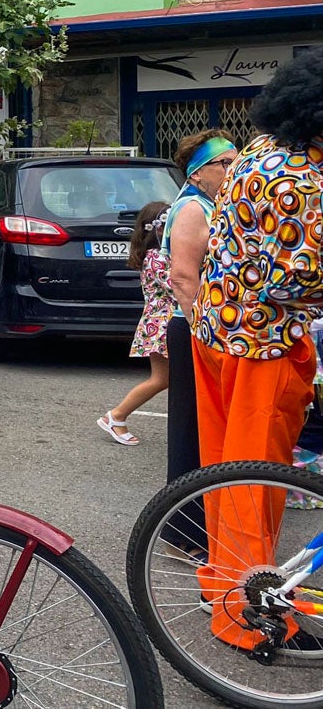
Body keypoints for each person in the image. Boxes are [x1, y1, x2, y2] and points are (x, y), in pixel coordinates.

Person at [191, 48, 323, 649]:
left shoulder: (258, 151)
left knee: (223, 477)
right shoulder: (303, 178)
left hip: (216, 331)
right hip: (261, 347)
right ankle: (246, 615)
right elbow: (294, 277)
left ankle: (222, 584)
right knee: (254, 488)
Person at [160, 128, 237, 555]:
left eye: (234, 162)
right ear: (197, 173)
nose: (231, 170)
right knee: (192, 433)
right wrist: (203, 333)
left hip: (207, 329)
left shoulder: (215, 204)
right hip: (193, 329)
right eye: (223, 164)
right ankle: (185, 533)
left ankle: (200, 527)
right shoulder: (192, 208)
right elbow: (183, 277)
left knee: (209, 433)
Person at [97, 201, 172, 446]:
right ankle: (116, 415)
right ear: (158, 229)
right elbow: (175, 285)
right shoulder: (156, 258)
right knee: (161, 379)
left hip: (161, 322)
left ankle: (117, 416)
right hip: (162, 324)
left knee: (169, 378)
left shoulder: (158, 255)